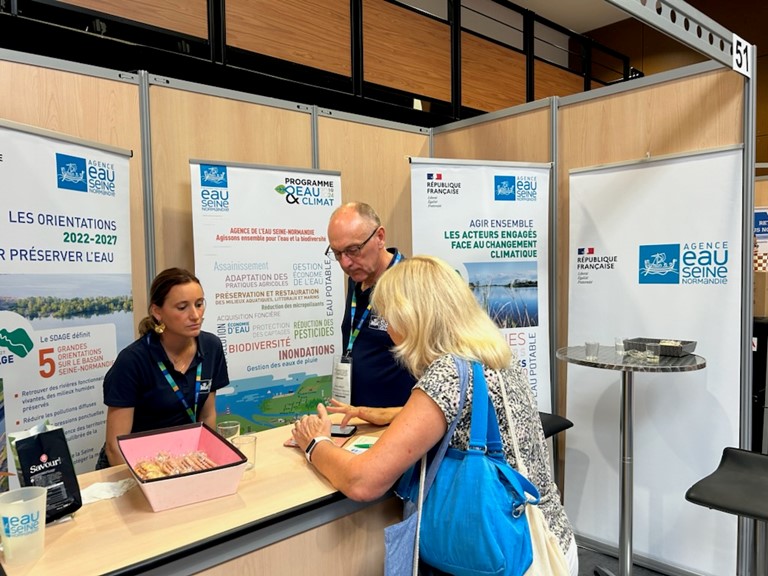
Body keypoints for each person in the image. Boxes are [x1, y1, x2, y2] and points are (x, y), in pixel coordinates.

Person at [292, 255, 578, 575]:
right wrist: (396, 414)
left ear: (412, 319)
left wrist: (315, 442)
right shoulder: (492, 355)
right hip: (550, 540)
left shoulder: (447, 373)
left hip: (513, 556)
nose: (388, 330)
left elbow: (363, 482)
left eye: (389, 319)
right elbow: (475, 414)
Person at [96, 267, 229, 469]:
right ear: (157, 312)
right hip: (134, 464)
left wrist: (204, 465)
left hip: (181, 460)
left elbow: (207, 416)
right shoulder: (132, 361)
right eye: (182, 307)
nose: (195, 315)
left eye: (199, 304)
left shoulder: (211, 346)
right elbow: (115, 446)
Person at [324, 202, 416, 423]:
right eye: (337, 254)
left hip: (399, 424)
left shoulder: (412, 284)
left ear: (380, 237)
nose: (345, 262)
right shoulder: (356, 280)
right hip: (358, 420)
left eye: (353, 250)